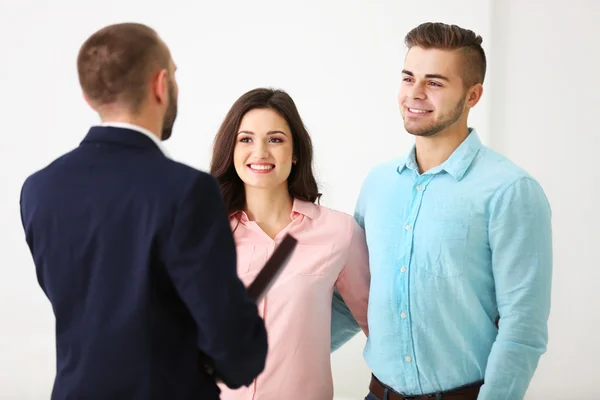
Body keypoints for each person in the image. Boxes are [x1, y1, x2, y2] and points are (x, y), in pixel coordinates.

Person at [19, 23, 267, 400]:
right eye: (175, 76)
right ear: (160, 84)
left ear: (89, 97)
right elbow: (234, 347)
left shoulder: (38, 189)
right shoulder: (188, 191)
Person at [334, 22, 553, 400]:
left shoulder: (510, 191)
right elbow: (354, 296)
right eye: (408, 78)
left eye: (434, 83)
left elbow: (523, 328)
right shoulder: (378, 184)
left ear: (473, 95)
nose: (414, 94)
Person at [210, 87, 370, 400]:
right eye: (246, 139)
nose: (260, 152)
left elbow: (376, 324)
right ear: (231, 149)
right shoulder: (204, 234)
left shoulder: (338, 232)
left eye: (275, 139)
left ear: (295, 152)